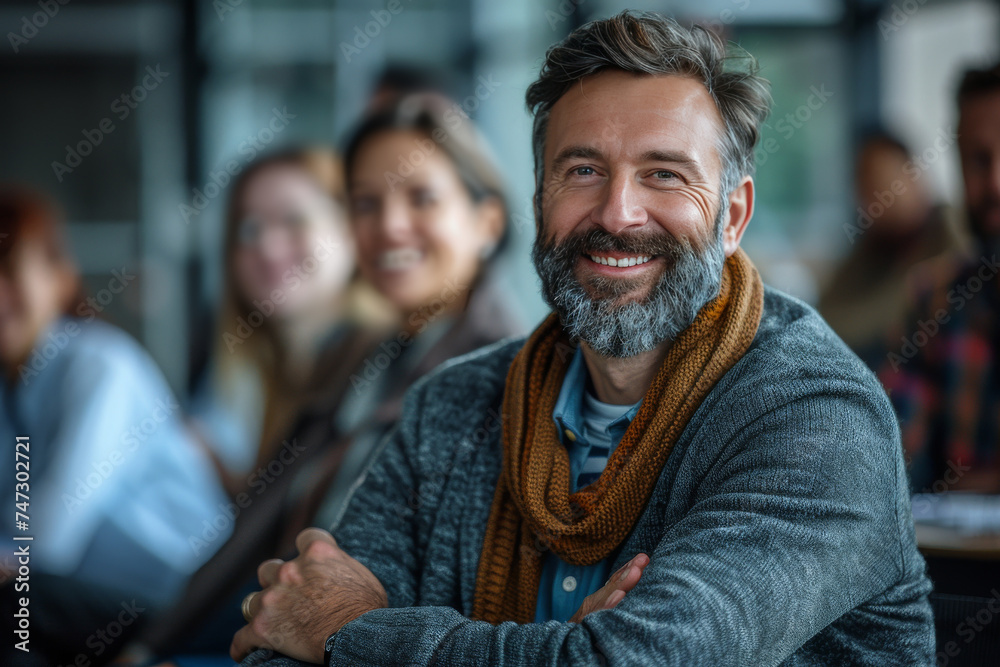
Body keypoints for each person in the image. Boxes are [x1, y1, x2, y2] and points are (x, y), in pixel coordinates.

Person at [229, 12, 934, 667]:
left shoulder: (818, 419)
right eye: (583, 171)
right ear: (540, 201)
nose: (618, 213)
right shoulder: (449, 406)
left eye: (664, 174)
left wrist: (354, 633)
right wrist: (560, 648)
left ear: (733, 216)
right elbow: (280, 635)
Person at [125, 93, 523, 666]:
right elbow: (263, 523)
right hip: (257, 608)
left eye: (421, 197)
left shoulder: (499, 374)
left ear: (486, 220)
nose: (388, 225)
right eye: (365, 203)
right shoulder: (365, 358)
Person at [0, 187, 230, 665]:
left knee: (16, 608)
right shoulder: (13, 387)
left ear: (61, 277)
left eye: (8, 269)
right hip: (93, 602)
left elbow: (46, 539)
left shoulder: (99, 364)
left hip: (189, 604)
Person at [187, 148, 362, 495]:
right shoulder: (278, 370)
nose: (267, 246)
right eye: (249, 229)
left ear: (350, 230)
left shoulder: (381, 367)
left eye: (295, 220)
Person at [881, 61, 1000, 494]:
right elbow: (890, 465)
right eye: (979, 159)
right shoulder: (934, 296)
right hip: (954, 560)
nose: (995, 183)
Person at [818, 131, 962, 369]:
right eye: (863, 183)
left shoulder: (953, 234)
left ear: (915, 177)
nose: (872, 196)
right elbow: (828, 314)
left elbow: (900, 314)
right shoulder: (873, 246)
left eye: (883, 180)